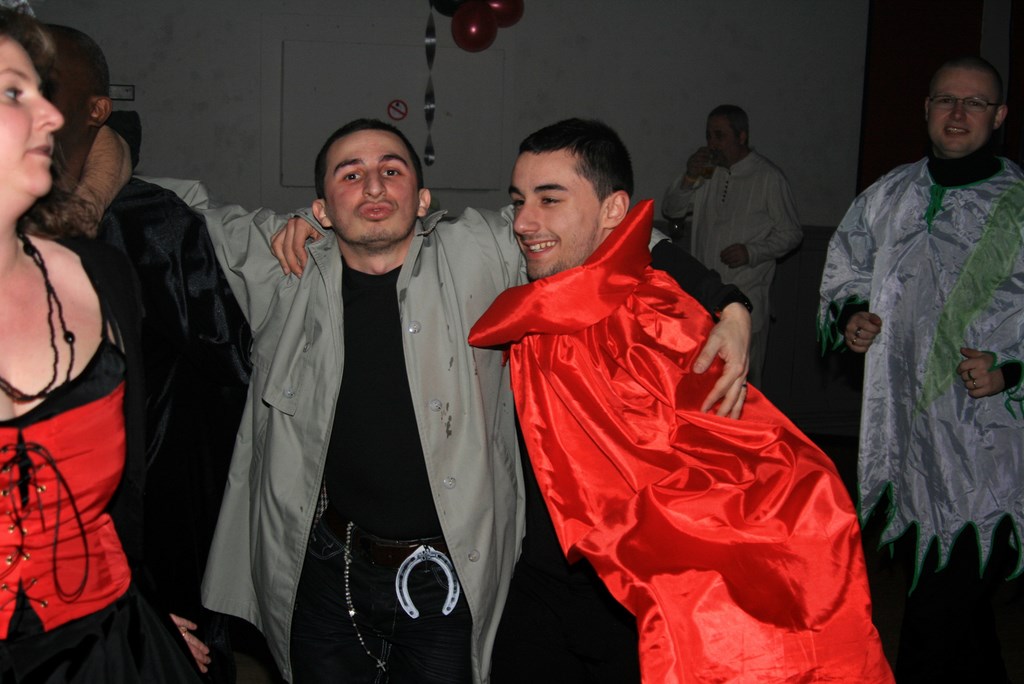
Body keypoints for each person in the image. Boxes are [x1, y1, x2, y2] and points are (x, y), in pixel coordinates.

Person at [133, 117, 755, 682]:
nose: (373, 186)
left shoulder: (482, 251)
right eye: (350, 174)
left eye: (391, 170)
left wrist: (727, 302)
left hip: (451, 576)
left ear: (424, 198)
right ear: (321, 206)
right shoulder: (287, 267)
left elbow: (610, 240)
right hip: (327, 571)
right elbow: (168, 205)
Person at [470, 118, 892, 683]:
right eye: (519, 200)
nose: (524, 221)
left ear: (613, 209)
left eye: (549, 199)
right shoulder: (515, 279)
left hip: (632, 597)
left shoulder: (659, 317)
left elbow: (752, 465)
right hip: (534, 583)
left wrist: (729, 302)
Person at [44, 24, 252, 679]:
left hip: (147, 523)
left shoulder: (152, 223)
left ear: (96, 109)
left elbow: (228, 362)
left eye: (46, 82)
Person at [0, 9, 200, 680]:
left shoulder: (99, 275)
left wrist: (139, 607)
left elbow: (120, 501)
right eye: (13, 92)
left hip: (106, 647)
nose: (48, 115)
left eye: (42, 91)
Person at [818, 56, 1023, 682]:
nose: (958, 113)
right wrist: (852, 314)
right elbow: (847, 266)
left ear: (999, 116)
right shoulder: (888, 195)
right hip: (906, 439)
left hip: (989, 445)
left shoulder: (1019, 204)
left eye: (974, 102)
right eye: (945, 100)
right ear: (926, 109)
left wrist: (1011, 369)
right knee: (959, 611)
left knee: (936, 613)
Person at [662, 104, 802, 386]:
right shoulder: (707, 173)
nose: (712, 143)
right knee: (702, 381)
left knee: (743, 384)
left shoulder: (768, 177)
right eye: (709, 136)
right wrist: (689, 176)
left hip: (747, 298)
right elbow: (671, 210)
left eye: (719, 135)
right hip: (703, 300)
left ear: (741, 136)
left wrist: (751, 252)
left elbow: (791, 233)